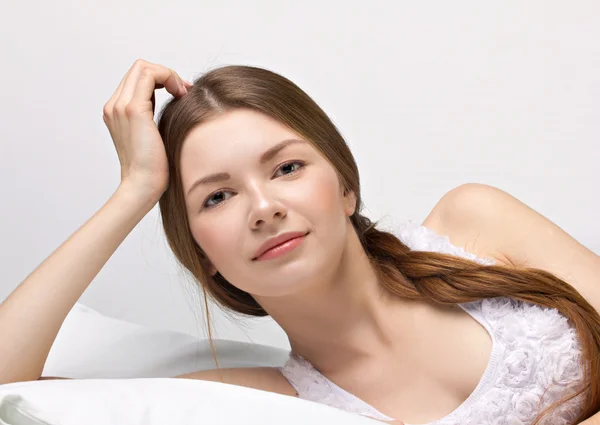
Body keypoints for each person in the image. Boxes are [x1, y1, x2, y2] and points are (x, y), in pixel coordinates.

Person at [0, 59, 598, 425]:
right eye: (217, 196)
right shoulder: (267, 404)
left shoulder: (475, 223)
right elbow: (10, 395)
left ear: (344, 186)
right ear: (204, 258)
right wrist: (135, 189)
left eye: (286, 168)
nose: (265, 208)